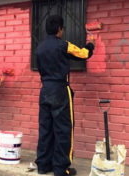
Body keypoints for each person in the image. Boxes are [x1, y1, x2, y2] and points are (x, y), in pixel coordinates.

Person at [35, 15, 95, 176]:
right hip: (60, 90)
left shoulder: (39, 48)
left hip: (45, 90)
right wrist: (91, 45)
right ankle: (61, 169)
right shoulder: (63, 45)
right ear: (60, 29)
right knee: (63, 129)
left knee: (45, 129)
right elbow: (83, 54)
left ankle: (43, 165)